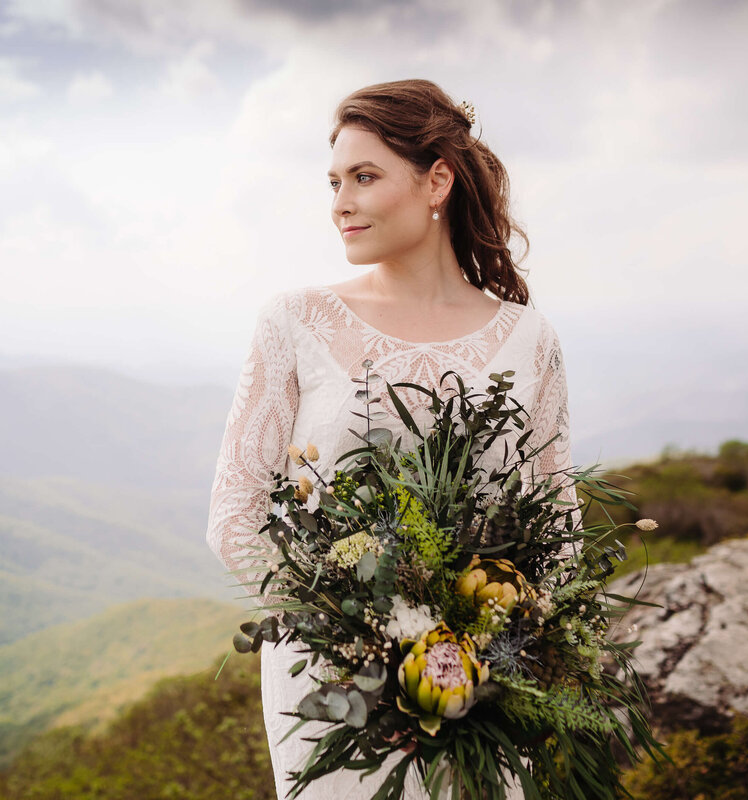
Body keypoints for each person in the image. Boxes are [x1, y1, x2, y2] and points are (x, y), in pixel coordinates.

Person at [206, 79, 571, 800]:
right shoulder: (294, 322)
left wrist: (494, 652)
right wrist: (356, 638)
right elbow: (234, 517)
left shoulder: (529, 339)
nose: (339, 201)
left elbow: (556, 524)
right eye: (335, 181)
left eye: (365, 177)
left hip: (481, 693)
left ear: (437, 180)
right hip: (332, 691)